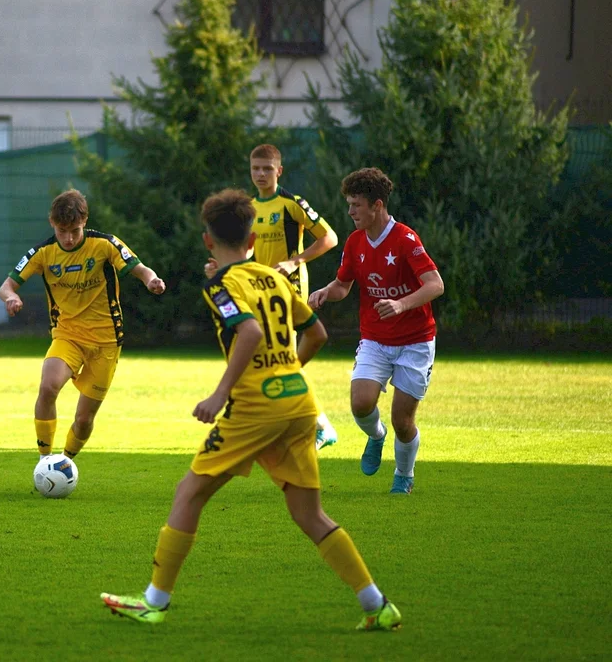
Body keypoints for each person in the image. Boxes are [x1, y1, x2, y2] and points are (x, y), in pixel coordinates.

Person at [101, 188, 401, 631]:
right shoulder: (274, 277)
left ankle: (153, 602)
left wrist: (220, 394)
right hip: (299, 402)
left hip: (256, 408)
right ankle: (377, 604)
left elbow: (250, 334)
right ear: (254, 241)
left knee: (189, 493)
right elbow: (315, 333)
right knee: (309, 514)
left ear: (208, 240)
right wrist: (284, 372)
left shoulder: (220, 285)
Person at [0, 189, 165, 461]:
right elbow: (6, 286)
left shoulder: (104, 245)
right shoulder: (42, 253)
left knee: (84, 419)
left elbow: (140, 268)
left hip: (106, 341)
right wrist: (12, 297)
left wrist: (151, 280)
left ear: (84, 221)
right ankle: (45, 460)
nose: (69, 237)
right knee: (48, 386)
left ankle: (65, 461)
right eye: (62, 231)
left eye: (74, 230)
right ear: (52, 223)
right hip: (68, 334)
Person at [308, 168, 444, 495]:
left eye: (356, 205)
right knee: (361, 404)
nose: (351, 211)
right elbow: (343, 285)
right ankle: (376, 436)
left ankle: (403, 475)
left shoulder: (406, 239)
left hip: (415, 342)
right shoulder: (355, 242)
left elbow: (435, 285)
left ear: (377, 205)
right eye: (349, 204)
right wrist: (326, 291)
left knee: (403, 421)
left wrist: (400, 304)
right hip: (375, 339)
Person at [206, 144, 340, 451]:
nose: (261, 174)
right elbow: (247, 250)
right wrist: (222, 264)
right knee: (275, 361)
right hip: (257, 289)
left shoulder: (292, 203)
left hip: (289, 290)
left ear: (279, 171)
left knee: (282, 361)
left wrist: (296, 261)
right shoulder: (250, 208)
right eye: (256, 168)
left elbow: (329, 237)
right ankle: (308, 424)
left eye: (267, 168)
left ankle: (315, 425)